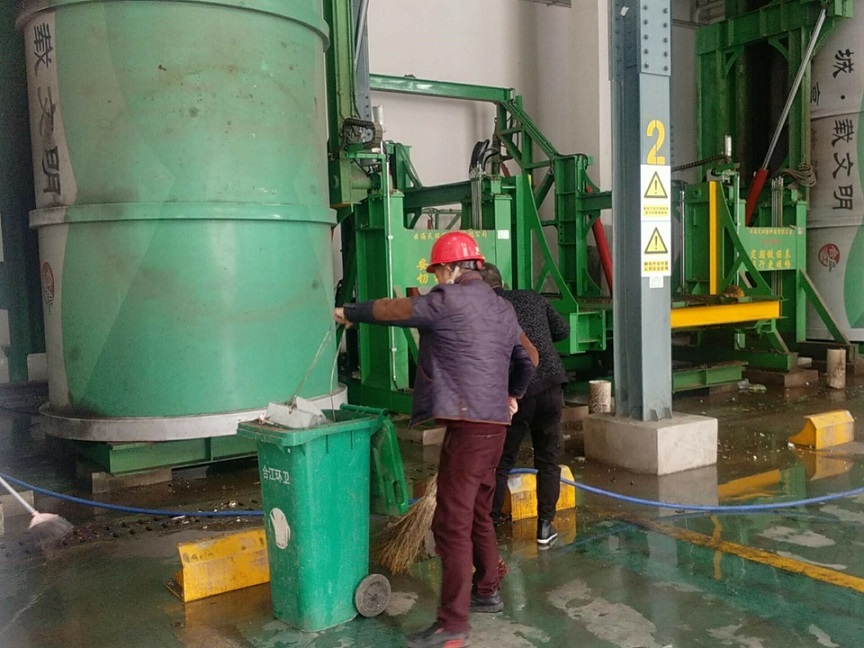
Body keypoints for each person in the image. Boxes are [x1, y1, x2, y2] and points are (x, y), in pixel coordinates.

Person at [333, 232, 537, 648]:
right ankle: (487, 590)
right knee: (478, 512)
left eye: (437, 273)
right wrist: (512, 395)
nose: (436, 280)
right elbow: (528, 358)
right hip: (495, 427)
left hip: (468, 426)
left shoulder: (448, 299)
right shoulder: (501, 307)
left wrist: (351, 312)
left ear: (450, 269)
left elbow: (399, 309)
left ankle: (452, 625)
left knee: (451, 525)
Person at [479, 262, 570, 546]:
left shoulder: (487, 309)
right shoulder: (531, 296)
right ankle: (545, 528)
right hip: (551, 385)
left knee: (502, 461)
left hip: (517, 392)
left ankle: (490, 528)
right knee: (548, 460)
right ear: (502, 281)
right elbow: (563, 330)